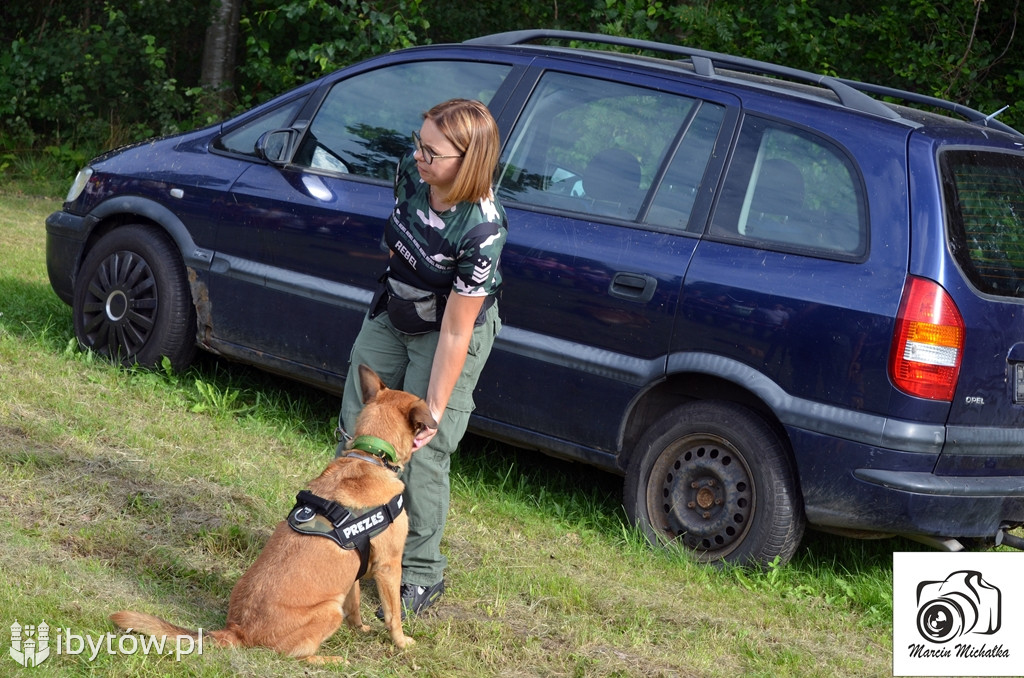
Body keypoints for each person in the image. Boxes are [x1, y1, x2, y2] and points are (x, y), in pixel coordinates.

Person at [336, 98, 506, 617]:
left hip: (447, 333)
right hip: (395, 309)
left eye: (432, 151)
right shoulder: (411, 171)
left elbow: (456, 331)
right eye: (419, 142)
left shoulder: (482, 230)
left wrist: (430, 409)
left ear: (468, 160)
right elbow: (397, 242)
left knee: (424, 450)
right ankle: (350, 542)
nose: (418, 156)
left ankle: (420, 574)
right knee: (357, 428)